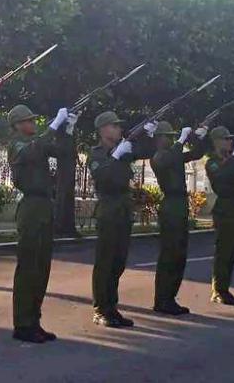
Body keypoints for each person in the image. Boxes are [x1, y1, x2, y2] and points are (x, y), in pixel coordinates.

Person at [7, 105, 76, 342]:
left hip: (45, 205)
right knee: (28, 268)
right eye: (28, 120)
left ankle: (34, 321)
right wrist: (54, 125)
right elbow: (33, 151)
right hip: (31, 207)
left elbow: (64, 152)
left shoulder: (36, 141)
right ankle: (22, 324)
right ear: (17, 124)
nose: (33, 123)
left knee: (42, 268)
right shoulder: (17, 144)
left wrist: (68, 130)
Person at [88, 111, 154, 327]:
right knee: (105, 263)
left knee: (118, 262)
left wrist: (148, 134)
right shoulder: (97, 154)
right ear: (103, 129)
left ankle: (112, 307)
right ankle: (100, 310)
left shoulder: (123, 149)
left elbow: (147, 151)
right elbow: (102, 177)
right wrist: (116, 156)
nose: (119, 129)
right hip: (108, 211)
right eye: (114, 126)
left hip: (123, 211)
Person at [150, 121, 207, 315]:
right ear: (158, 138)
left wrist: (198, 138)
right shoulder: (158, 157)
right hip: (171, 205)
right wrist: (181, 140)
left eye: (173, 137)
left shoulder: (173, 155)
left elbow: (196, 154)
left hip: (180, 205)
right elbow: (168, 159)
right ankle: (162, 300)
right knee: (170, 254)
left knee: (179, 255)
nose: (171, 139)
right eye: (168, 136)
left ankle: (169, 298)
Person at [205, 127, 234, 305]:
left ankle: (224, 288)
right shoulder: (212, 163)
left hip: (233, 209)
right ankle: (218, 291)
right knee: (224, 251)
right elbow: (223, 177)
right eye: (226, 139)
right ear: (216, 141)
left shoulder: (229, 160)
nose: (230, 142)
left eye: (231, 139)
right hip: (223, 210)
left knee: (232, 252)